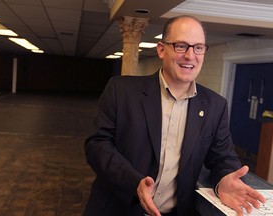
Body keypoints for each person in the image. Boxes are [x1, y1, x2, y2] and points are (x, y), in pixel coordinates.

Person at [84, 15, 266, 216]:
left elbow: (222, 156)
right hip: (117, 209)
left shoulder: (216, 105)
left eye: (198, 47)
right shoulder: (121, 90)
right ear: (161, 49)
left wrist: (224, 179)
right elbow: (97, 144)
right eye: (181, 46)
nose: (190, 55)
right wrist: (133, 182)